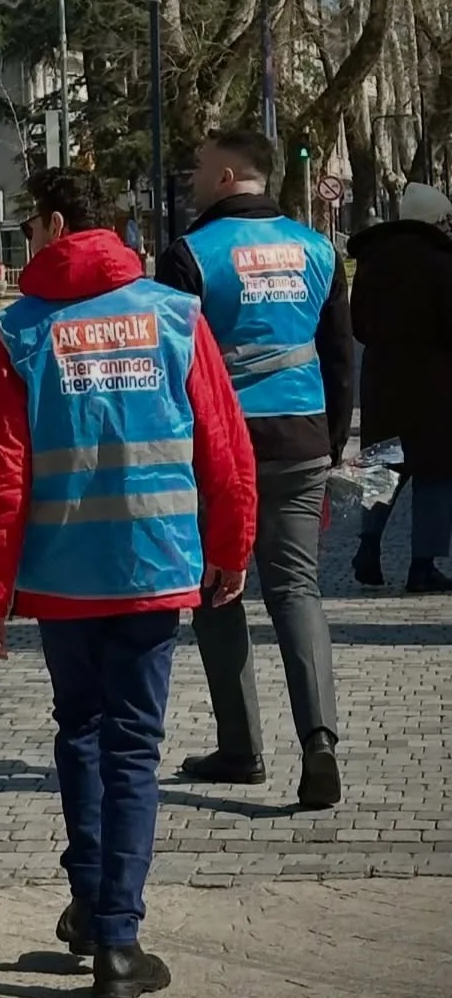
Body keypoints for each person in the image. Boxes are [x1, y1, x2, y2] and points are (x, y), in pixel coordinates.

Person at [0, 169, 258, 998]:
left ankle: (93, 908)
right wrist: (230, 545)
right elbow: (224, 444)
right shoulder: (175, 314)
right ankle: (119, 941)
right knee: (133, 748)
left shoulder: (21, 329)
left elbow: (0, 470)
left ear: (58, 224)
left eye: (31, 223)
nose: (27, 238)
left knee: (81, 732)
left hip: (62, 574)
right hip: (153, 565)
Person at [157, 128, 354, 808]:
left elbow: (171, 363)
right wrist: (331, 442)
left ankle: (241, 748)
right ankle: (319, 740)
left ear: (228, 175)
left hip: (219, 447)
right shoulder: (318, 249)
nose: (194, 177)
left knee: (218, 589)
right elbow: (339, 355)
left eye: (202, 166)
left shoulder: (190, 254)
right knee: (297, 589)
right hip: (301, 436)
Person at [347, 182, 452, 592]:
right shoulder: (441, 262)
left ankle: (367, 545)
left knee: (383, 466)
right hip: (434, 386)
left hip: (381, 382)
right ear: (435, 221)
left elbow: (358, 326)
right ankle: (422, 566)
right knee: (435, 476)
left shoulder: (372, 260)